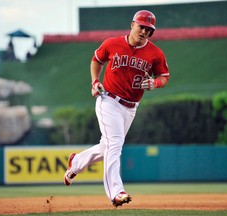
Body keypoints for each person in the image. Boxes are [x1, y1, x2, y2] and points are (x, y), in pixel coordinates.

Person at [64, 10, 170, 207]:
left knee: (107, 147)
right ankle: (116, 192)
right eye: (142, 27)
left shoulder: (156, 53)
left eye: (149, 29)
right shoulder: (112, 43)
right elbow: (96, 60)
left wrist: (155, 84)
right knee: (115, 145)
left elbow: (164, 76)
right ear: (132, 25)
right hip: (109, 100)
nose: (145, 31)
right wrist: (95, 81)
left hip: (130, 108)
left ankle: (76, 163)